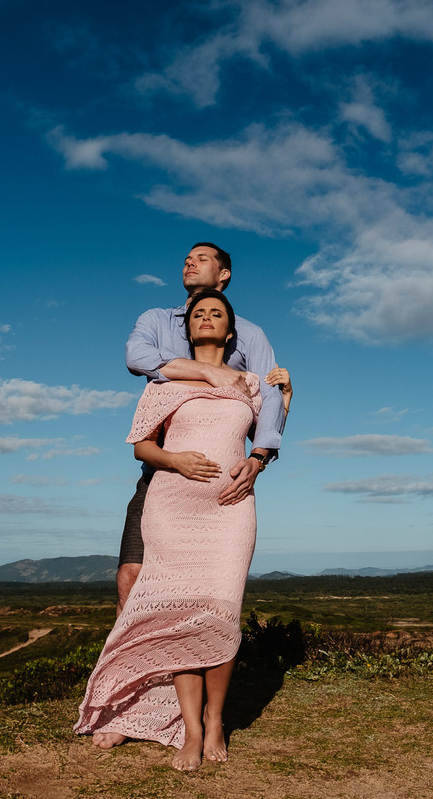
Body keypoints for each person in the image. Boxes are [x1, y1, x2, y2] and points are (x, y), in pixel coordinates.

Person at [76, 289, 261, 771]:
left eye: (215, 312)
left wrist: (261, 453)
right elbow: (141, 447)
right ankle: (192, 731)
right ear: (187, 326)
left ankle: (216, 720)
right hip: (172, 508)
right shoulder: (163, 381)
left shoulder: (251, 384)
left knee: (221, 611)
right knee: (181, 613)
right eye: (197, 313)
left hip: (230, 510)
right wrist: (174, 459)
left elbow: (269, 438)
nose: (205, 317)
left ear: (230, 330)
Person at [117, 242, 286, 613]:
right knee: (132, 575)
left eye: (201, 259)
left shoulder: (250, 333)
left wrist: (259, 457)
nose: (189, 263)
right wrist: (207, 370)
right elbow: (136, 356)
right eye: (186, 260)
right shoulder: (157, 320)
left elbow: (269, 398)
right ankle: (139, 668)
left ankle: (194, 660)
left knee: (210, 589)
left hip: (221, 482)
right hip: (160, 473)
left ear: (224, 274)